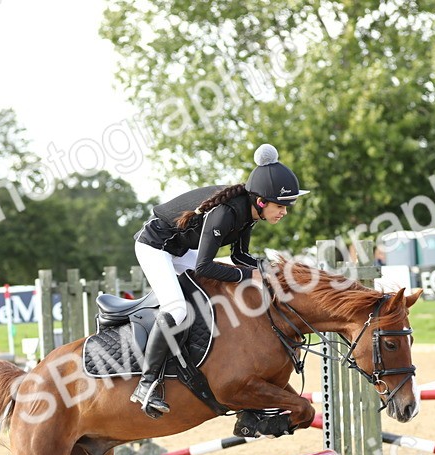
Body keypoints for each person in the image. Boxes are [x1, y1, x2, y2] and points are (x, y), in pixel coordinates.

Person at [129, 143, 309, 417]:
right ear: (261, 201)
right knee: (176, 309)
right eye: (281, 205)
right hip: (155, 247)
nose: (284, 211)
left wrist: (270, 271)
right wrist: (251, 274)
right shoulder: (226, 213)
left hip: (181, 250)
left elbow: (240, 257)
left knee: (229, 284)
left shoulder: (250, 214)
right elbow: (204, 267)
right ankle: (146, 384)